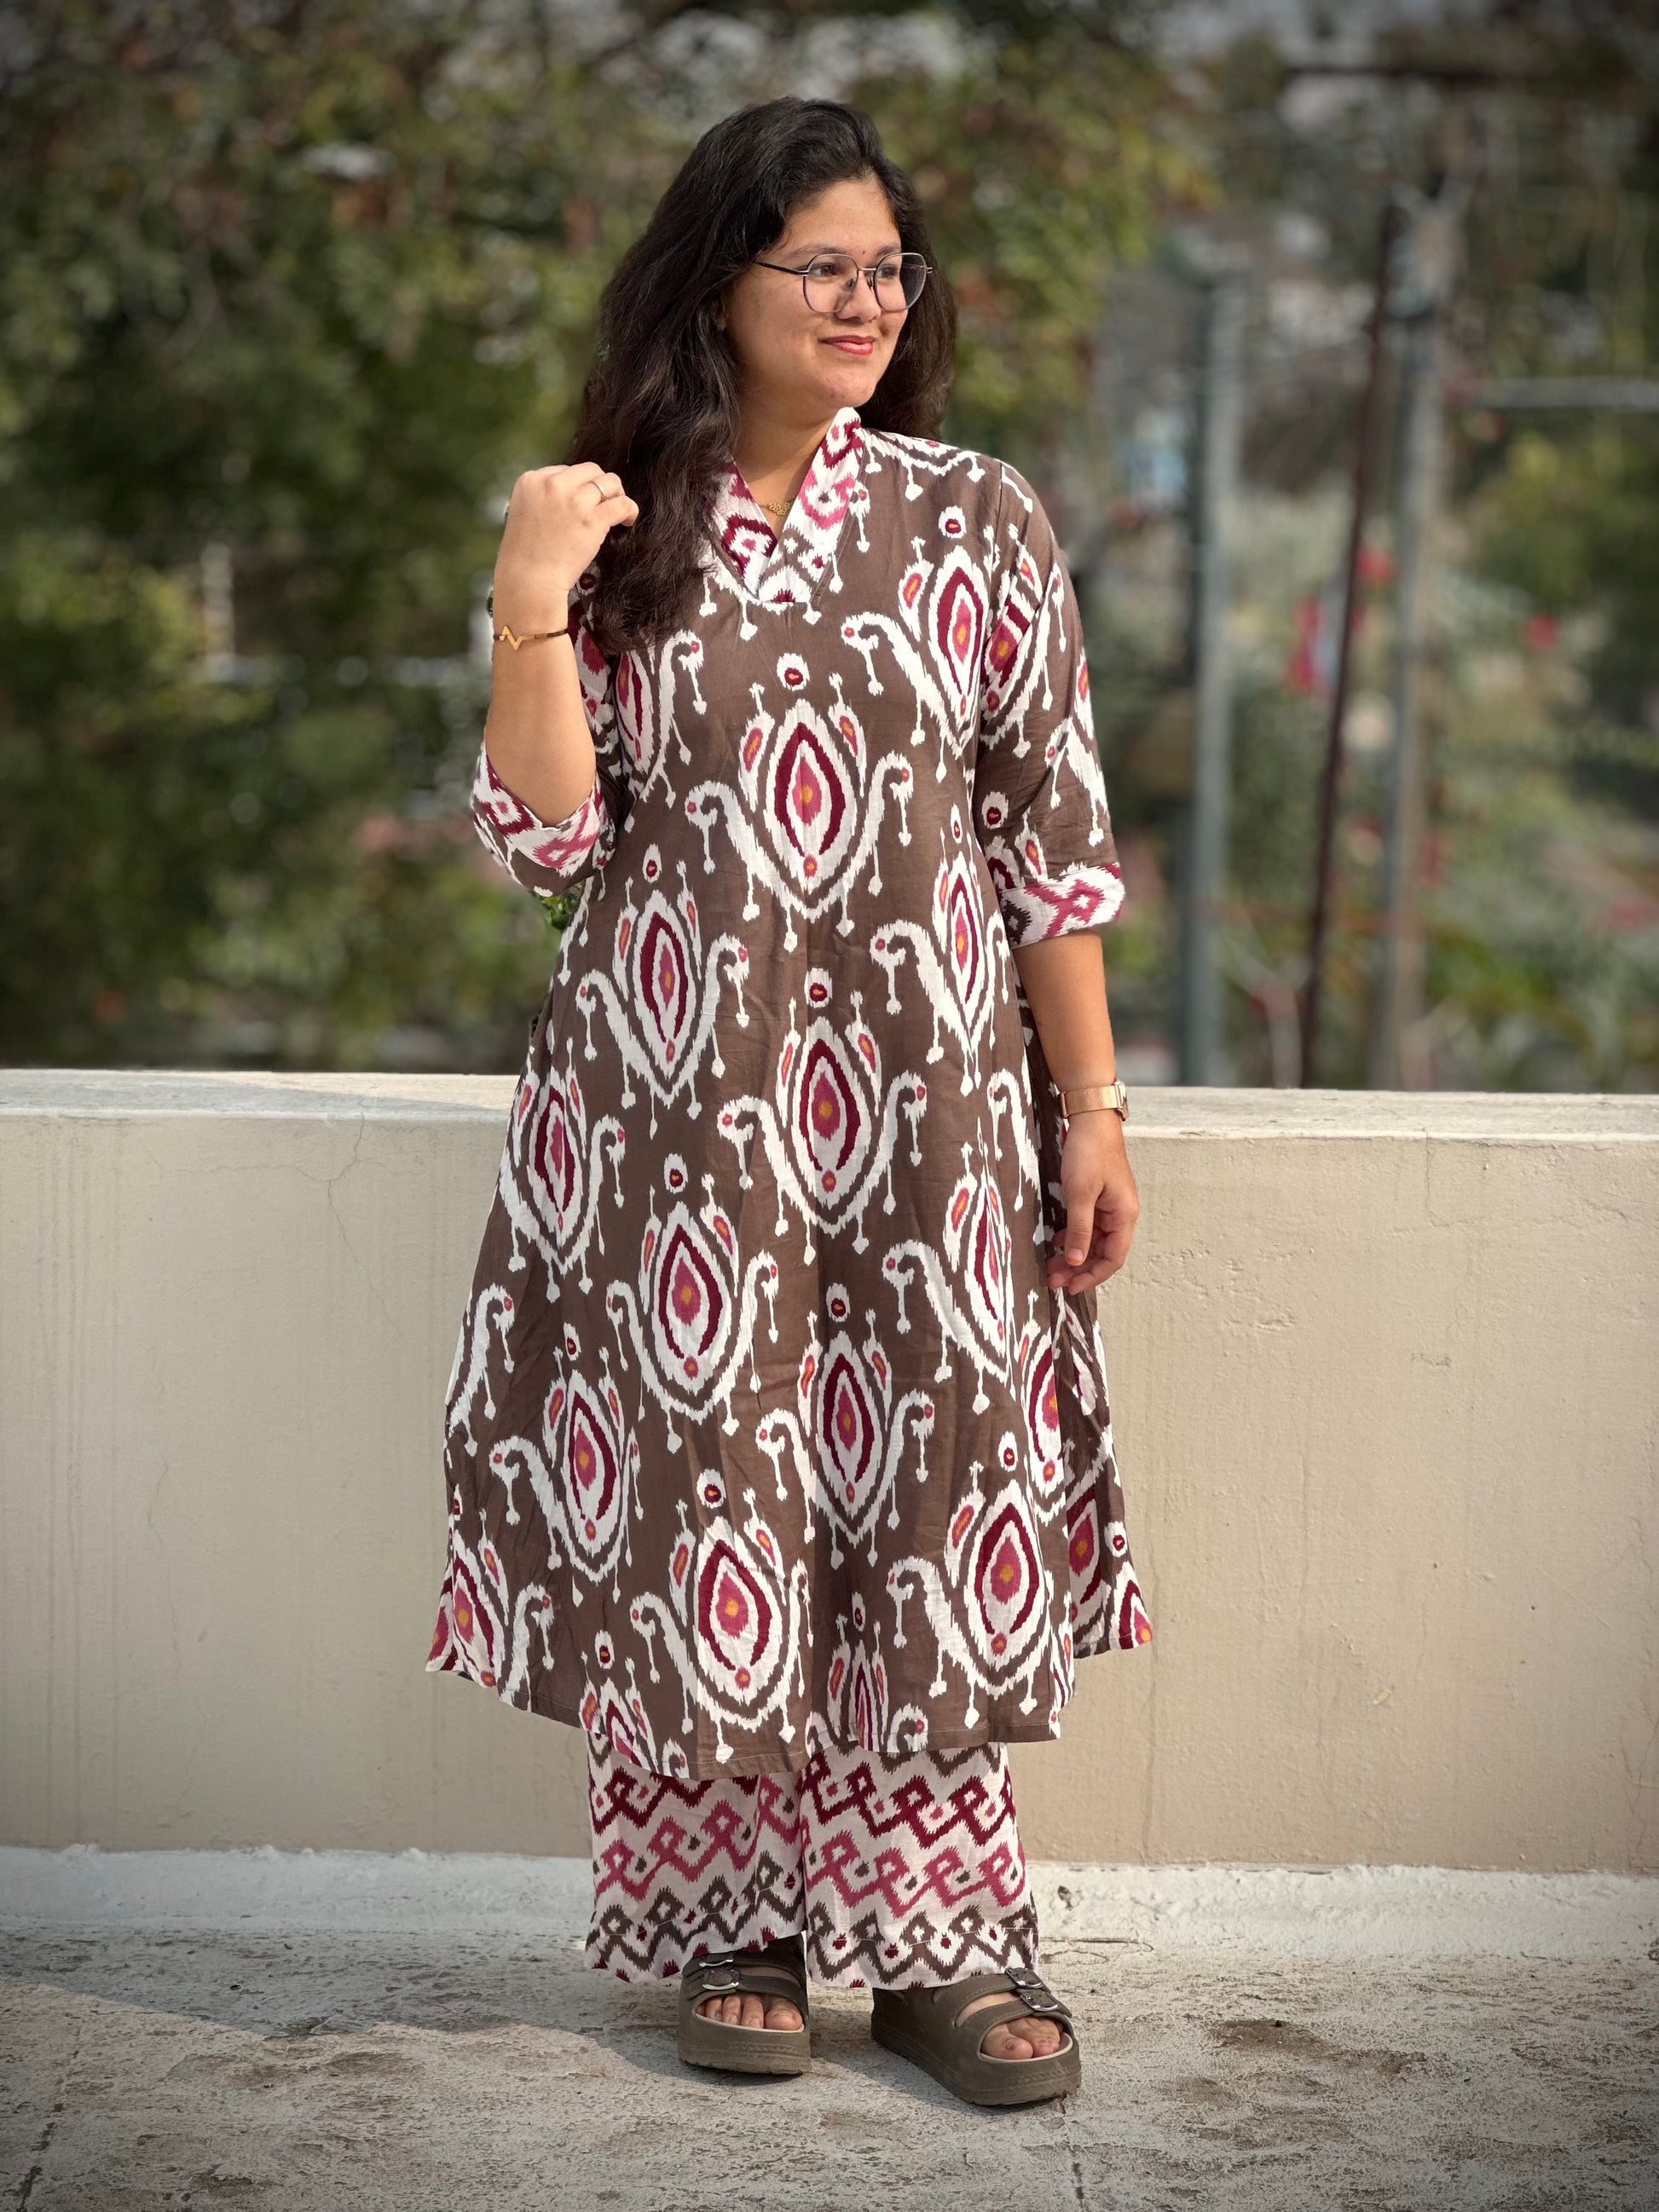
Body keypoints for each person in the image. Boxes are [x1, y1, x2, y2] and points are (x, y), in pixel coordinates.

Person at [427, 94, 1153, 2108]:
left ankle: (938, 1937)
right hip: (673, 1124)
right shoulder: (611, 524)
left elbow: (1049, 849)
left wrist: (1090, 1110)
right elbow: (545, 839)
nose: (863, 299)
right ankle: (727, 1918)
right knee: (711, 1488)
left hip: (927, 1121)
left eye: (886, 267)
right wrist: (529, 588)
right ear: (716, 282)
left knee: (927, 1490)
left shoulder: (973, 516)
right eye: (819, 264)